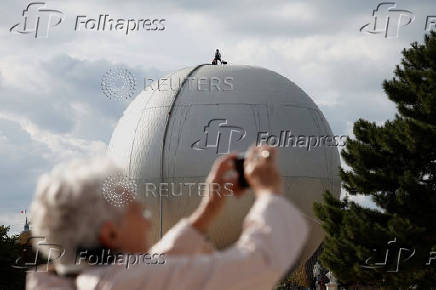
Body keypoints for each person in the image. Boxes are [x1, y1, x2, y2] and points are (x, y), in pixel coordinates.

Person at [26, 145, 309, 290]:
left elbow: (153, 269)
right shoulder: (123, 284)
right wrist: (269, 191)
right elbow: (258, 265)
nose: (148, 221)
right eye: (138, 211)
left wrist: (207, 212)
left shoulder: (90, 278)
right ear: (109, 234)